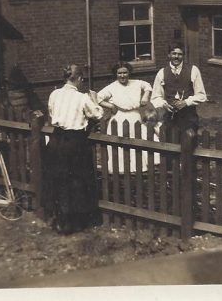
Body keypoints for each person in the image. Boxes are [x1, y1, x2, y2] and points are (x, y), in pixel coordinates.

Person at [43, 64, 103, 235]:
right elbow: (98, 114)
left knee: (58, 179)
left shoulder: (54, 94)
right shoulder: (81, 97)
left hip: (56, 140)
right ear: (80, 79)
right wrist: (94, 101)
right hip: (74, 142)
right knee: (76, 181)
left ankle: (61, 220)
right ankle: (75, 222)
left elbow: (51, 113)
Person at [97, 61, 160, 173]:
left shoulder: (136, 83)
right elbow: (98, 97)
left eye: (125, 73)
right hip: (119, 117)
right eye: (119, 73)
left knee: (138, 140)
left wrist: (145, 96)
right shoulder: (112, 87)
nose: (122, 76)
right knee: (121, 143)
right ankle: (122, 168)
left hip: (135, 115)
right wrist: (111, 105)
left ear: (129, 73)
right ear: (116, 74)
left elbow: (147, 86)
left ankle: (140, 166)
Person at [151, 43, 207, 148]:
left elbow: (201, 95)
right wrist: (164, 104)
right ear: (169, 55)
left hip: (188, 117)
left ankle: (188, 164)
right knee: (171, 146)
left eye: (180, 54)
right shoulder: (162, 73)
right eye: (174, 53)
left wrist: (186, 102)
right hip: (170, 117)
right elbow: (156, 96)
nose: (176, 56)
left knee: (189, 146)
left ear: (183, 56)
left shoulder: (193, 70)